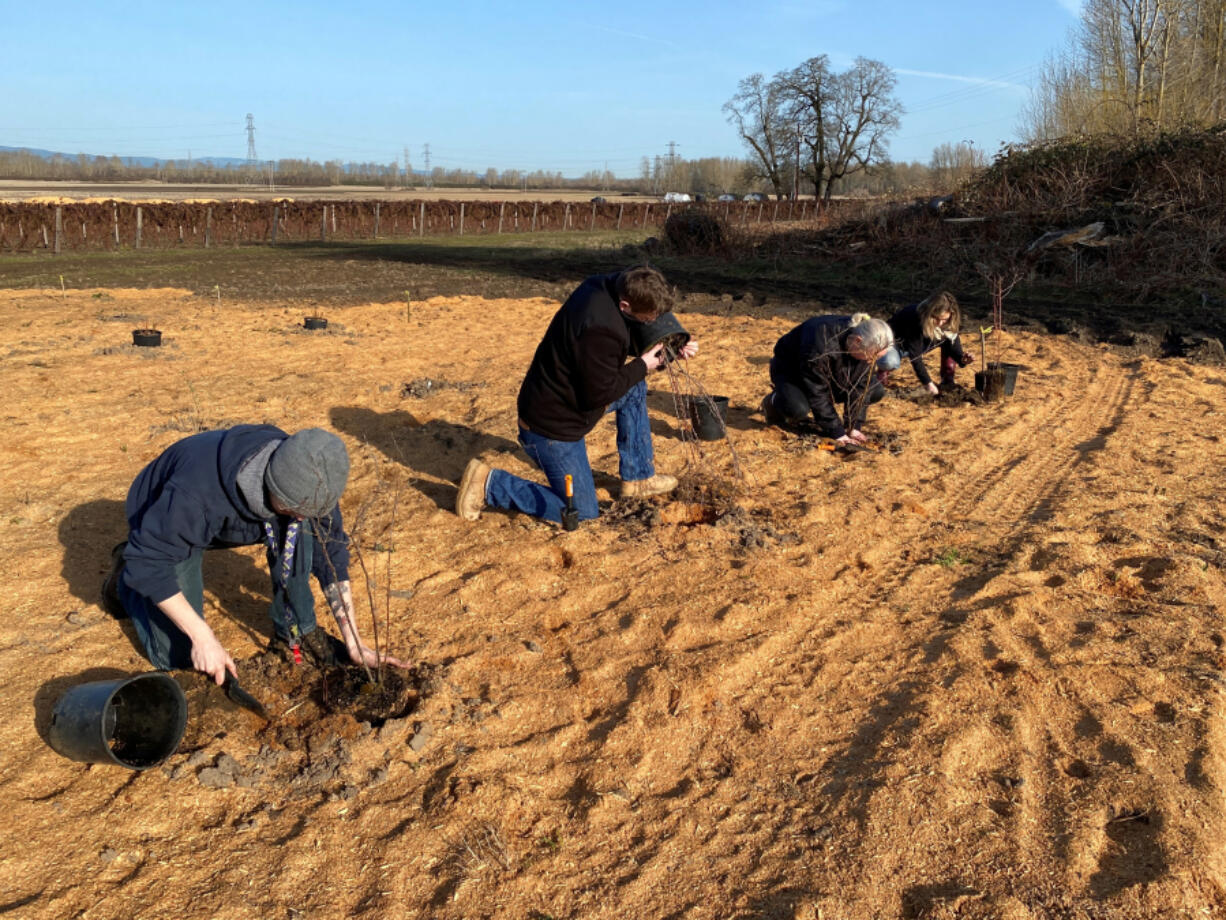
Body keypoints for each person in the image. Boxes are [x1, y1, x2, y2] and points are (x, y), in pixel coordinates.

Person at [101, 425, 404, 685]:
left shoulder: (312, 478)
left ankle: (297, 630)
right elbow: (149, 563)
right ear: (272, 485)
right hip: (162, 517)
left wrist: (353, 640)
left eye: (308, 511)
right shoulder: (197, 495)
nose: (301, 517)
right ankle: (123, 579)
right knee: (178, 655)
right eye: (293, 510)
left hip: (230, 519)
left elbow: (332, 552)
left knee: (301, 531)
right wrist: (204, 637)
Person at [455, 266, 699, 525]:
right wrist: (643, 365)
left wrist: (669, 349)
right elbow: (598, 395)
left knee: (634, 388)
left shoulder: (604, 285)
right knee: (582, 513)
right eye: (648, 319)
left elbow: (621, 345)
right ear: (626, 305)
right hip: (552, 427)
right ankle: (490, 485)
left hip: (554, 396)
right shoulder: (602, 329)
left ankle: (639, 477)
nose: (651, 323)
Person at [760, 313, 894, 444]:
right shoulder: (819, 346)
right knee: (797, 409)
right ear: (857, 341)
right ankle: (773, 400)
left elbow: (861, 385)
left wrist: (853, 426)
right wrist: (836, 432)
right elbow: (817, 391)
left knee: (875, 390)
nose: (873, 362)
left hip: (833, 371)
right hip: (794, 372)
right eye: (871, 357)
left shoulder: (863, 344)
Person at [879, 291, 975, 393]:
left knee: (946, 339)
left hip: (919, 346)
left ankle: (948, 379)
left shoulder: (947, 323)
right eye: (936, 318)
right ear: (930, 313)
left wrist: (962, 359)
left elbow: (952, 344)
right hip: (896, 342)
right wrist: (928, 383)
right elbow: (915, 357)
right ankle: (883, 370)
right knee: (890, 362)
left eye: (945, 319)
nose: (940, 323)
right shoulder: (915, 318)